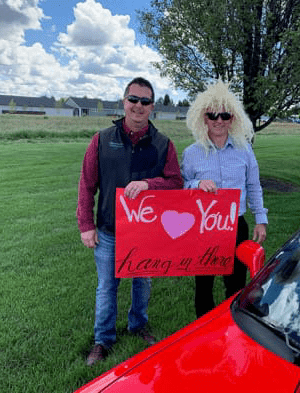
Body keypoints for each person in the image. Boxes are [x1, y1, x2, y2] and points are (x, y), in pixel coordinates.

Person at [77, 77, 183, 366]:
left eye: (145, 101)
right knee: (107, 286)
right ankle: (103, 339)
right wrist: (86, 224)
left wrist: (150, 184)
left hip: (145, 233)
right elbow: (87, 184)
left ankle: (138, 325)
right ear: (124, 102)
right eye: (133, 99)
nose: (138, 106)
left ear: (152, 107)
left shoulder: (163, 144)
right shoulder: (101, 140)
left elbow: (176, 182)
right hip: (109, 230)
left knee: (142, 283)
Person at [181, 80, 268, 318]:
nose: (218, 120)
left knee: (236, 283)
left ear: (233, 118)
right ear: (203, 118)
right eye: (212, 115)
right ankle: (204, 328)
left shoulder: (245, 150)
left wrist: (261, 219)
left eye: (225, 115)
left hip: (236, 225)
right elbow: (182, 184)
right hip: (205, 226)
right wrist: (196, 184)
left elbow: (253, 185)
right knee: (204, 285)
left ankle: (233, 325)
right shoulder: (191, 153)